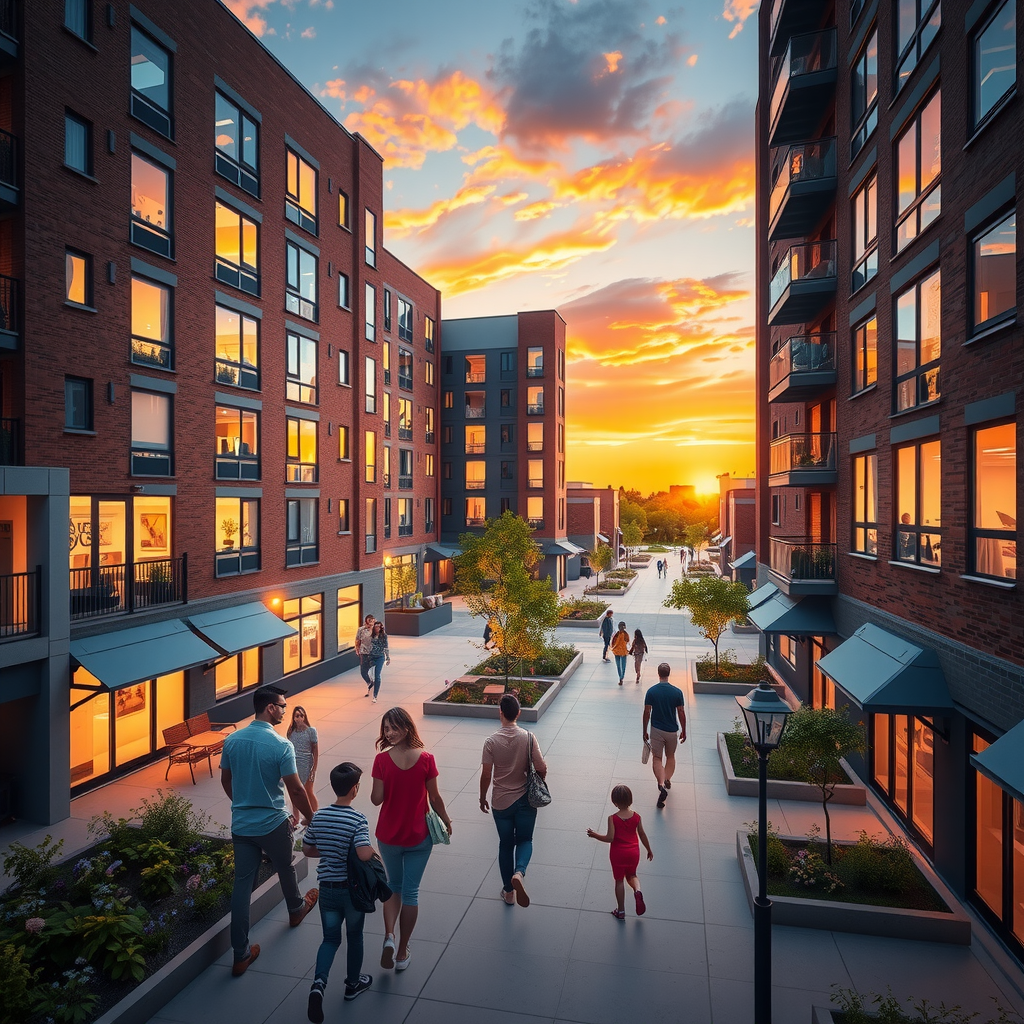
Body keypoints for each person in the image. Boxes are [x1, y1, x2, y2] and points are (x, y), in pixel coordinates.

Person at [220, 685, 320, 977]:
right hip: (273, 823)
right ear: (270, 708)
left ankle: (240, 955)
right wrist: (311, 818)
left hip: (242, 825)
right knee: (285, 867)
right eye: (283, 706)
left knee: (242, 886)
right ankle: (296, 909)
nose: (286, 711)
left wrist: (242, 804)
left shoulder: (233, 741)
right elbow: (297, 789)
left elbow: (227, 781)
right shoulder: (280, 745)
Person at [371, 707, 453, 973]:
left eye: (393, 728)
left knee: (393, 886)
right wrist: (447, 821)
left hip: (389, 836)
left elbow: (376, 799)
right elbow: (435, 798)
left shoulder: (381, 761)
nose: (390, 733)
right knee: (411, 892)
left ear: (406, 728)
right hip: (419, 836)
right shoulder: (427, 759)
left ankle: (389, 937)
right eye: (386, 729)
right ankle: (403, 950)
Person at [302, 762, 376, 1021]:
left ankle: (318, 985)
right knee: (355, 937)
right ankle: (353, 984)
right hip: (351, 893)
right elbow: (363, 853)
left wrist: (331, 852)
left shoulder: (319, 816)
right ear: (355, 789)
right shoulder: (357, 819)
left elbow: (308, 849)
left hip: (328, 891)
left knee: (330, 939)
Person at [479, 693, 547, 908]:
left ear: (500, 712)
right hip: (525, 800)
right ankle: (519, 872)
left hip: (501, 802)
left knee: (506, 845)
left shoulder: (491, 742)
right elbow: (542, 767)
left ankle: (509, 893)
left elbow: (486, 774)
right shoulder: (528, 737)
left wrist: (482, 797)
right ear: (518, 713)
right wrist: (536, 780)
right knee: (525, 840)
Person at [587, 784, 653, 920]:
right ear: (630, 799)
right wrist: (648, 849)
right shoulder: (637, 817)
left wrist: (595, 835)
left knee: (619, 881)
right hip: (633, 852)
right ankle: (638, 890)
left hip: (618, 854)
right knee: (632, 875)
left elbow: (610, 838)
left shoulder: (613, 818)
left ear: (615, 802)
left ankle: (621, 911)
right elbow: (642, 834)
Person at [642, 663, 687, 809]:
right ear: (669, 673)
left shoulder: (651, 691)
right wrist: (684, 730)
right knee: (671, 756)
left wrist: (645, 730)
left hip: (656, 730)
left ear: (658, 673)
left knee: (657, 758)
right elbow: (681, 712)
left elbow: (647, 712)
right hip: (672, 731)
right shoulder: (677, 692)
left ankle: (661, 785)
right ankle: (667, 778)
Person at [287, 706, 319, 824]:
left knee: (308, 790)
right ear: (294, 718)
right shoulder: (291, 731)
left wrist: (313, 769)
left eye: (301, 715)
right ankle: (296, 817)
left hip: (307, 763)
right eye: (297, 716)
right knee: (294, 790)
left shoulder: (311, 731)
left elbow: (315, 751)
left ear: (305, 717)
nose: (299, 718)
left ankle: (315, 814)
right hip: (294, 763)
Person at [367, 622, 391, 704]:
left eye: (379, 627)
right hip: (371, 656)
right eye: (376, 627)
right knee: (370, 675)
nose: (377, 628)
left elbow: (386, 647)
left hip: (380, 656)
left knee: (377, 675)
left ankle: (375, 695)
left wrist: (388, 657)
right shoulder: (371, 635)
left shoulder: (383, 636)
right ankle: (371, 684)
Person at [355, 614, 376, 693]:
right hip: (363, 652)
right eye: (368, 622)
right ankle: (369, 682)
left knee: (372, 669)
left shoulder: (377, 629)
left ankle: (373, 682)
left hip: (373, 653)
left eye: (372, 622)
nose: (370, 624)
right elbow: (357, 640)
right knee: (363, 671)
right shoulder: (361, 630)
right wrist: (357, 649)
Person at [610, 620, 630, 685]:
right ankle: (621, 677)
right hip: (623, 652)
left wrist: (613, 647)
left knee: (618, 665)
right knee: (623, 666)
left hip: (616, 651)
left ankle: (620, 677)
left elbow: (613, 642)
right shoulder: (625, 634)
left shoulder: (617, 634)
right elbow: (628, 641)